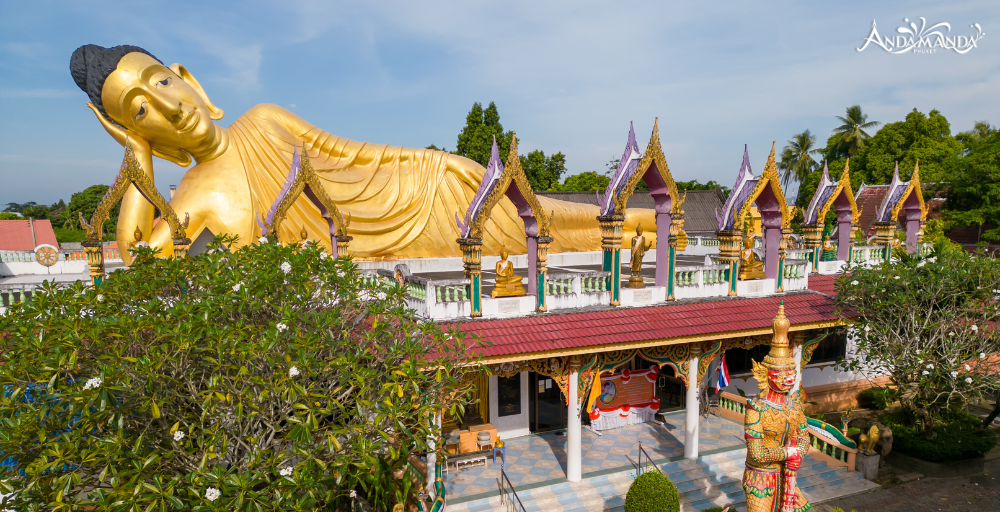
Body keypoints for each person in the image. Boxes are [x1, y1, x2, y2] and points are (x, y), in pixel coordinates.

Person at [70, 44, 657, 264]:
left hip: (406, 195)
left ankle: (647, 222)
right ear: (136, 135)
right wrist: (135, 164)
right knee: (535, 235)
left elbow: (349, 155)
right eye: (141, 111)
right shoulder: (192, 196)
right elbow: (136, 268)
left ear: (186, 78)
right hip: (376, 248)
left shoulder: (264, 120)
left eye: (162, 85)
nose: (170, 109)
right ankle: (644, 226)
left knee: (541, 217)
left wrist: (427, 164)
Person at [742, 303, 810, 512]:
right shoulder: (756, 409)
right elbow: (757, 453)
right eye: (783, 374)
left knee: (800, 509)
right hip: (761, 474)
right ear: (767, 375)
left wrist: (798, 452)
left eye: (791, 372)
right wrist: (789, 452)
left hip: (784, 472)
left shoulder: (794, 404)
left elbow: (804, 436)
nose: (789, 379)